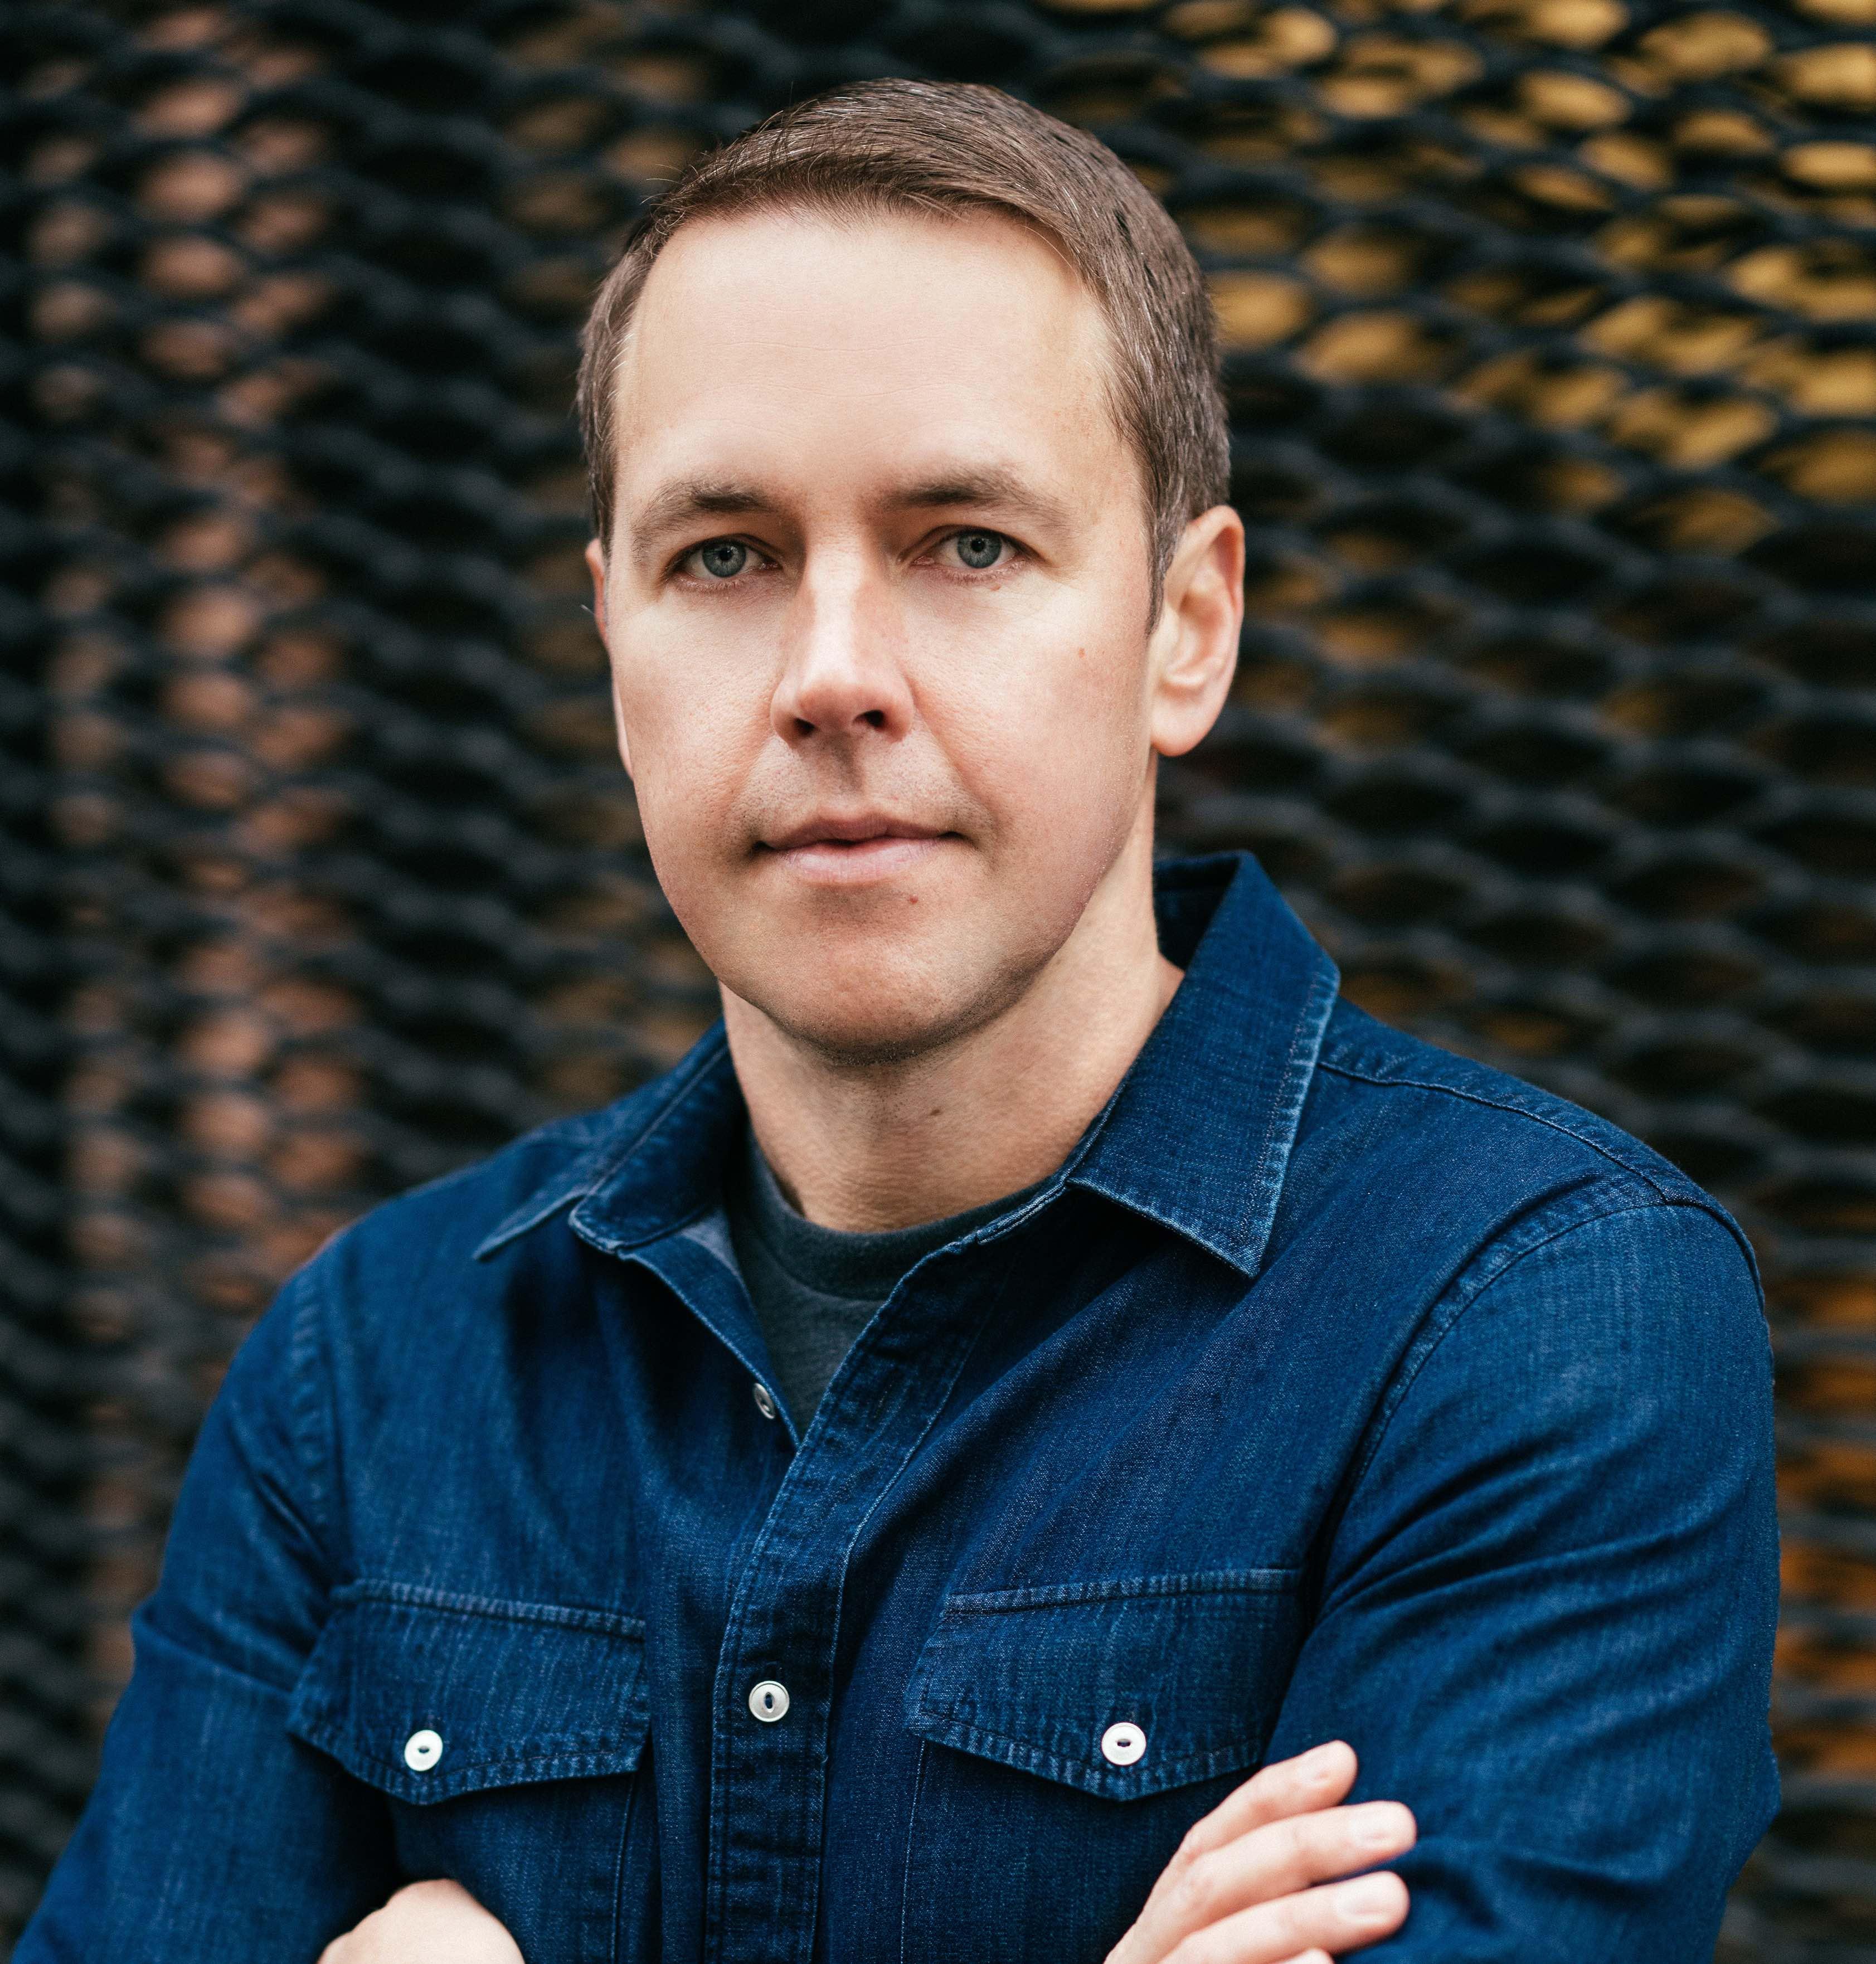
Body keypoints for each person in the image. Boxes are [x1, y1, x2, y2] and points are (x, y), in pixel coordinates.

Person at [20, 77, 1778, 1964]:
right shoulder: (374, 1370)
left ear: (1190, 626)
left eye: (965, 543)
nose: (832, 674)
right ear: (610, 631)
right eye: (727, 555)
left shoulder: (1535, 1320)